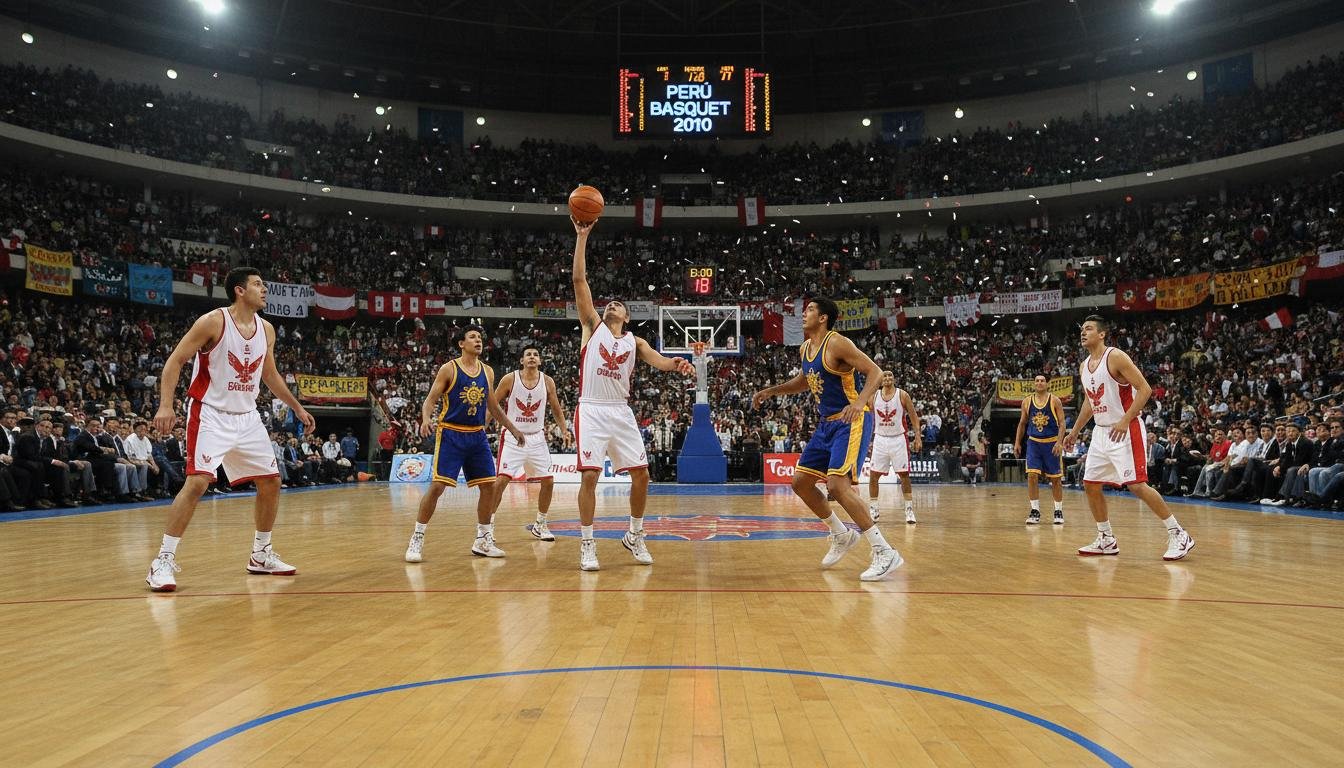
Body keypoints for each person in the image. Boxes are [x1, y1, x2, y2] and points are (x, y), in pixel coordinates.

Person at [146, 267, 316, 592]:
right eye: (257, 284)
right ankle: (162, 561)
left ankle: (260, 554)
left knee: (271, 482)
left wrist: (296, 406)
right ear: (239, 290)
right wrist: (165, 405)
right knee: (197, 483)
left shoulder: (267, 329)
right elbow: (175, 361)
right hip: (210, 412)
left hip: (247, 415)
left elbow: (270, 375)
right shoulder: (213, 321)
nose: (264, 289)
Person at [571, 216, 694, 571]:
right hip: (592, 408)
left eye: (617, 305)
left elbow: (663, 363)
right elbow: (579, 280)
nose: (611, 305)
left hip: (620, 410)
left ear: (626, 316)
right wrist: (582, 238)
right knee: (590, 476)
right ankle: (588, 543)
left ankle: (635, 534)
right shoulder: (592, 326)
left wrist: (681, 364)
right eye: (608, 303)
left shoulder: (635, 341)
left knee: (642, 475)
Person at [752, 297, 900, 582]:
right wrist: (772, 391)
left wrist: (860, 403)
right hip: (826, 425)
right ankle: (840, 534)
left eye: (809, 310)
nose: (804, 313)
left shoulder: (837, 343)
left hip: (851, 420)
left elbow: (876, 372)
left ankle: (885, 551)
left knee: (837, 485)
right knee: (801, 483)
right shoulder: (805, 348)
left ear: (823, 318)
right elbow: (805, 381)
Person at [1060, 315, 1194, 561]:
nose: (1083, 332)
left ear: (1102, 334)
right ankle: (1106, 539)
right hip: (1101, 432)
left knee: (1136, 485)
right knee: (1090, 484)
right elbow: (1091, 403)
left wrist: (1125, 419)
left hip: (1126, 427)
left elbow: (1145, 389)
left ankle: (1179, 533)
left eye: (1089, 328)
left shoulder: (1116, 357)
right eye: (1082, 329)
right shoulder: (1083, 366)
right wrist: (1075, 431)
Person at [403, 326, 526, 563]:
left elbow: (493, 405)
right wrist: (426, 419)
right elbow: (430, 400)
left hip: (477, 435)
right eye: (473, 337)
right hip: (451, 433)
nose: (478, 340)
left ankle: (483, 539)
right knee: (438, 486)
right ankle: (417, 537)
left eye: (480, 337)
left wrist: (512, 428)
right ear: (462, 343)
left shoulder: (488, 371)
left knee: (489, 487)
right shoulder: (449, 369)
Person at [488, 345, 569, 542]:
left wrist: (565, 429)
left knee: (548, 481)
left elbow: (556, 409)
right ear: (522, 361)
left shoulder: (547, 382)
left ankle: (540, 524)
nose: (532, 357)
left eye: (535, 354)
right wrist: (483, 426)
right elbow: (493, 403)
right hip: (513, 437)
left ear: (540, 361)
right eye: (528, 355)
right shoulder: (510, 379)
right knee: (501, 482)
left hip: (537, 437)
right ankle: (486, 526)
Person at [866, 370, 921, 524]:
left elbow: (913, 416)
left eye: (890, 375)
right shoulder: (873, 396)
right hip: (880, 439)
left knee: (904, 475)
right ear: (880, 379)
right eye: (884, 375)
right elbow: (865, 416)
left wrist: (917, 436)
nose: (887, 378)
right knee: (873, 475)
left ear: (894, 379)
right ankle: (874, 509)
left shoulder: (902, 395)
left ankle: (909, 510)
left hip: (898, 439)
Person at [1013, 374, 1066, 525]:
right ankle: (1035, 510)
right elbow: (1022, 423)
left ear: (1047, 384)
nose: (1040, 382)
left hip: (1051, 443)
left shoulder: (1055, 400)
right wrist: (1017, 442)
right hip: (1034, 443)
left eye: (1042, 380)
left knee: (1055, 479)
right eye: (1037, 381)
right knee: (1032, 476)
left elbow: (1062, 424)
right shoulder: (1027, 401)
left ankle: (1058, 510)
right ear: (1034, 384)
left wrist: (1059, 442)